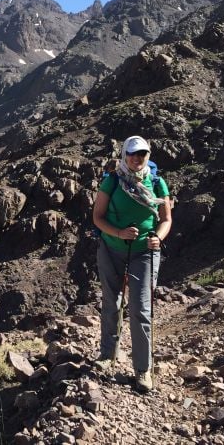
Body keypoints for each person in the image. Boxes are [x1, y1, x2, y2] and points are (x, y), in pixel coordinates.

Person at [92, 135, 172, 392]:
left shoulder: (157, 183)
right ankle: (107, 355)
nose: (137, 159)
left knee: (140, 308)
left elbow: (166, 219)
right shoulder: (112, 181)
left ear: (148, 156)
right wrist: (119, 233)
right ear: (124, 155)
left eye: (143, 154)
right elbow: (97, 217)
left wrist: (157, 237)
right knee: (111, 302)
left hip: (145, 252)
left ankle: (142, 370)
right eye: (133, 154)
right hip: (111, 248)